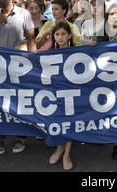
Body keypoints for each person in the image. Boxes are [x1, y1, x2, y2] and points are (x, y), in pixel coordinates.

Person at [0, 0, 36, 159]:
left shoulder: (24, 14)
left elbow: (30, 39)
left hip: (20, 66)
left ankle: (21, 137)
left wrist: (33, 63)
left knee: (20, 102)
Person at [92, 3, 117, 168]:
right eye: (112, 13)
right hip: (107, 81)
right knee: (113, 113)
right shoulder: (101, 35)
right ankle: (116, 145)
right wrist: (92, 46)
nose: (115, 16)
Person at [47, 21, 77, 171]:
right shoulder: (49, 51)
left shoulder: (77, 51)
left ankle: (67, 154)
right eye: (57, 34)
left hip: (71, 94)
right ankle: (59, 148)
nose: (60, 37)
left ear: (69, 35)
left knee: (69, 122)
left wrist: (93, 46)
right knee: (55, 121)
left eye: (63, 34)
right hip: (53, 94)